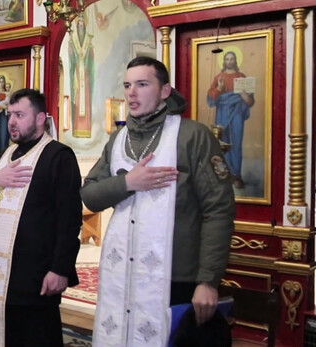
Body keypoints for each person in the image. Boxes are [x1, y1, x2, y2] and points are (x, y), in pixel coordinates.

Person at [82, 56, 235, 345]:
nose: (132, 93)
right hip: (122, 275)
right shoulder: (118, 139)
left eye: (142, 84)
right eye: (127, 85)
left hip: (177, 276)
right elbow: (89, 194)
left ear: (165, 91)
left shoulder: (192, 136)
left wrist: (208, 281)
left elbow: (218, 211)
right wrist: (127, 183)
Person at [0, 89, 82, 346]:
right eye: (10, 115)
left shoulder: (58, 156)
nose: (11, 122)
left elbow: (69, 219)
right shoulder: (5, 155)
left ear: (40, 118)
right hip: (1, 276)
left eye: (20, 115)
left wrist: (60, 268)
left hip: (36, 275)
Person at [206, 50, 254, 188]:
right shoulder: (218, 77)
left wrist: (243, 93)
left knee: (236, 143)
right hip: (222, 113)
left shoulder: (241, 77)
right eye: (227, 59)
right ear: (224, 61)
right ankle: (224, 174)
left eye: (232, 59)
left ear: (235, 61)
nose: (229, 61)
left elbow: (249, 101)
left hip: (237, 113)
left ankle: (236, 175)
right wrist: (219, 88)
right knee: (222, 143)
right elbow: (211, 98)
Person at [68, 13, 95, 138]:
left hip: (86, 75)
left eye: (82, 23)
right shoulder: (72, 40)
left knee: (86, 100)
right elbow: (71, 59)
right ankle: (77, 129)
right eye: (78, 23)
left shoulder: (89, 39)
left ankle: (86, 130)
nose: (80, 25)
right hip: (77, 76)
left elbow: (91, 59)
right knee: (77, 100)